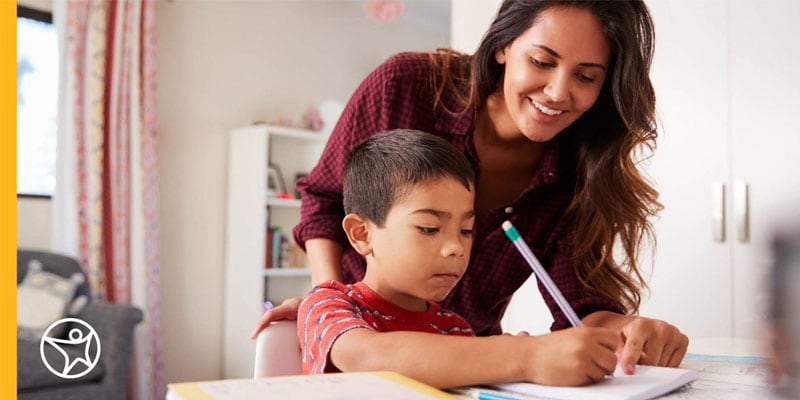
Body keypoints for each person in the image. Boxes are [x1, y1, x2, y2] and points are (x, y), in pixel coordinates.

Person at [253, 0, 689, 385]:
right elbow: (327, 201)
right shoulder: (405, 86)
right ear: (503, 46)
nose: (558, 92)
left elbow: (580, 305)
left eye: (586, 76)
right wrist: (331, 297)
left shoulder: (456, 330)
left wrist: (626, 332)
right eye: (541, 61)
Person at [299, 129, 478, 383]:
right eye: (429, 228)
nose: (456, 247)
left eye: (465, 231)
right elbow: (364, 357)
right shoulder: (328, 304)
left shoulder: (454, 328)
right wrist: (518, 355)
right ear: (362, 234)